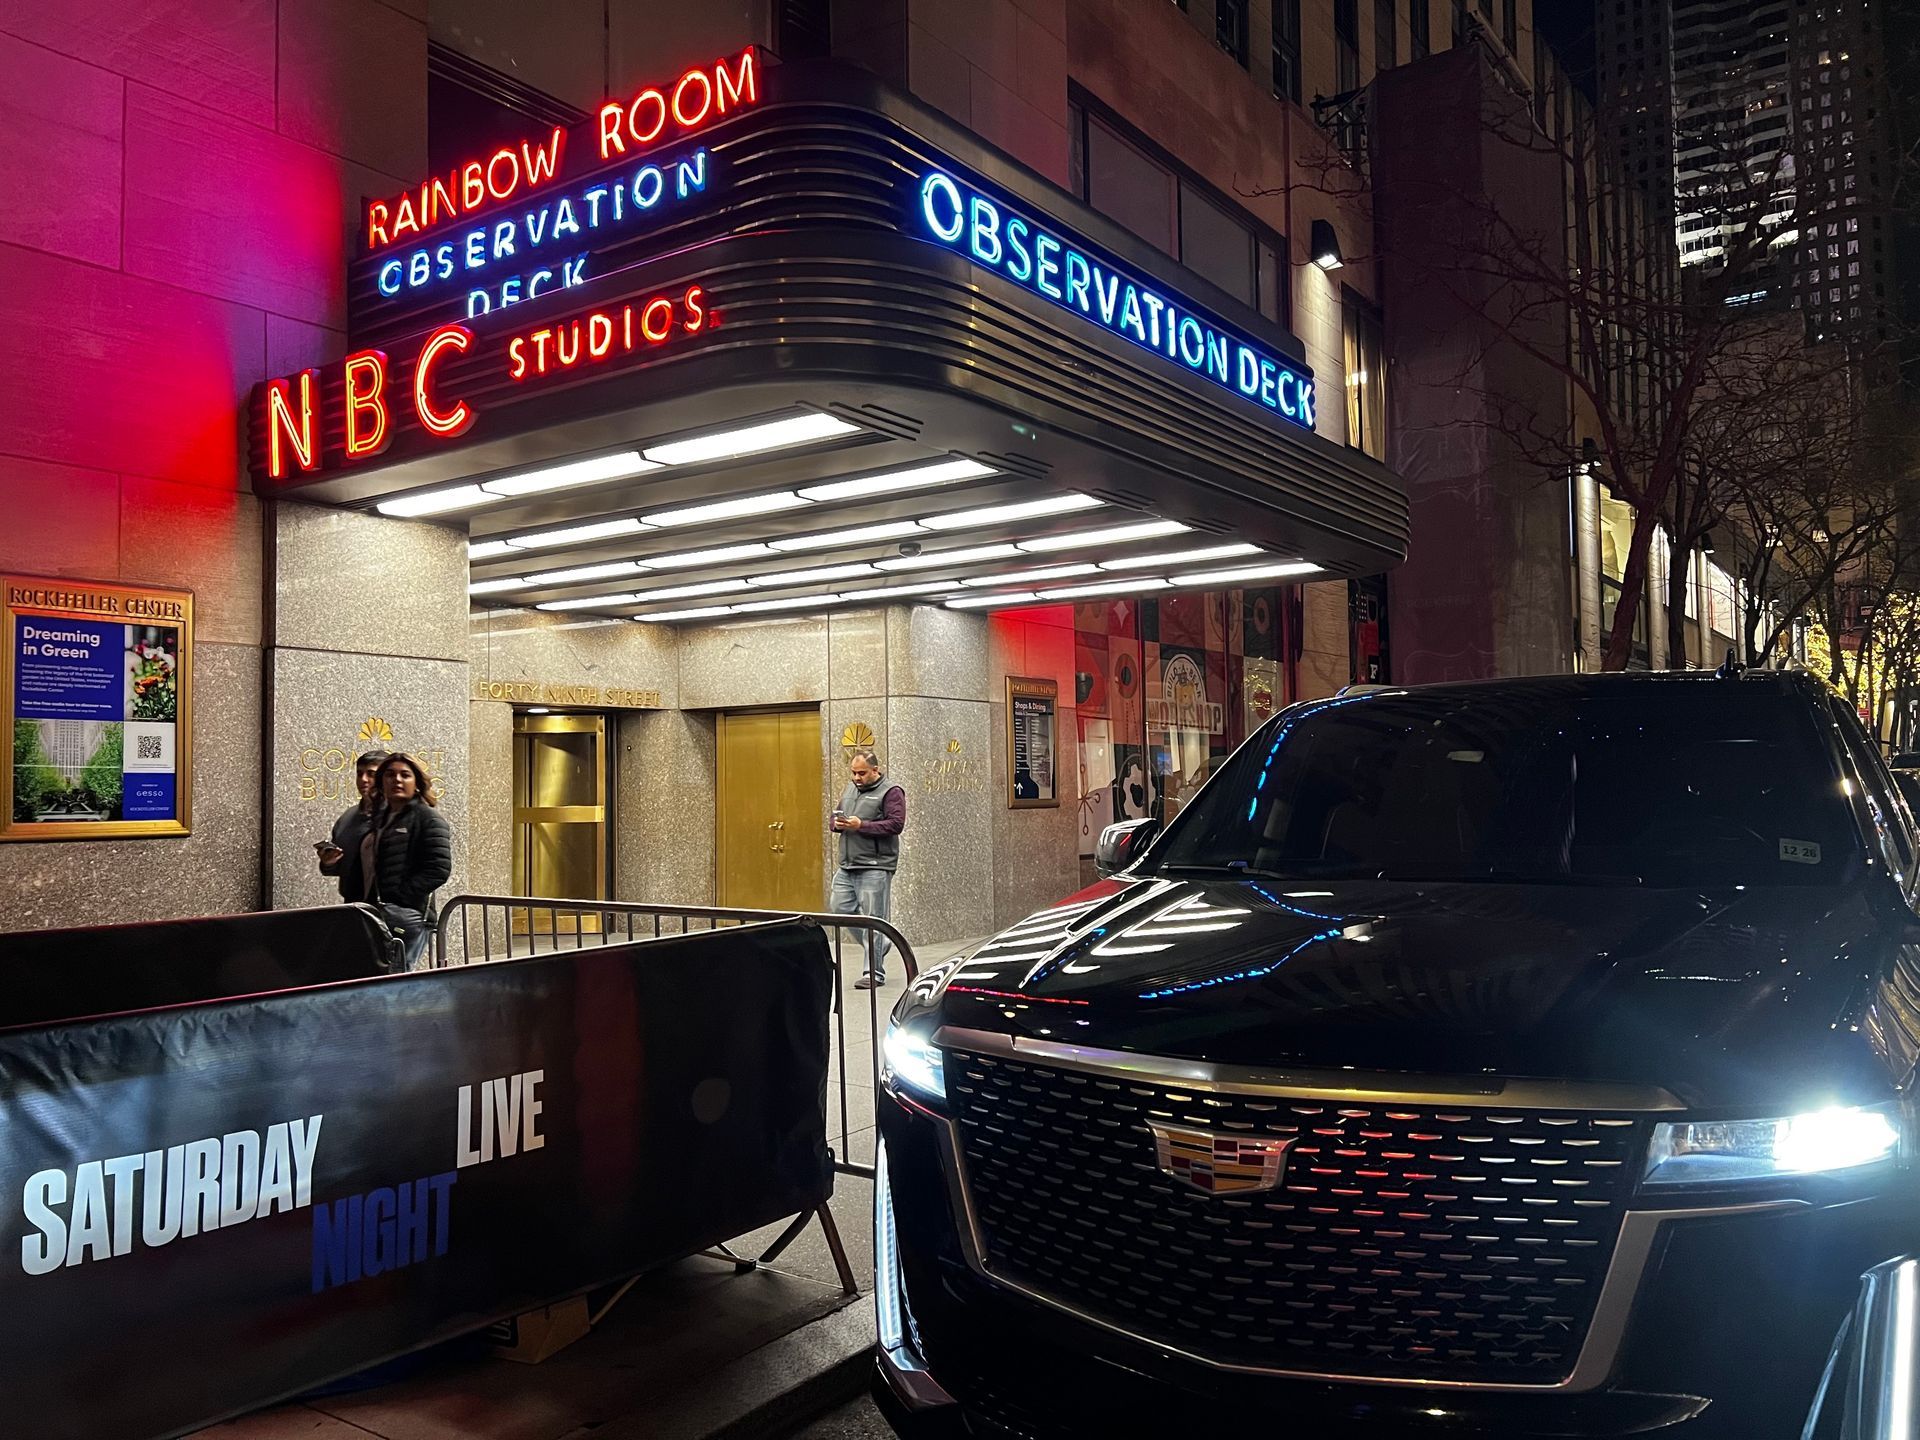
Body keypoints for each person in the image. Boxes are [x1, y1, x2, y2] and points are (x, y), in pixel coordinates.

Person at [359, 751, 453, 970]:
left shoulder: (427, 818)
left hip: (408, 914)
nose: (397, 780)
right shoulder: (382, 817)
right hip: (378, 912)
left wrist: (400, 897)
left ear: (416, 783)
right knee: (378, 974)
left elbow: (439, 869)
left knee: (398, 974)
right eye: (390, 775)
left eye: (405, 775)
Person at [830, 747, 907, 990]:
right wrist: (837, 823)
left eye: (862, 773)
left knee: (874, 918)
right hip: (848, 863)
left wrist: (861, 825)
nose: (856, 777)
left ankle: (873, 973)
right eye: (853, 772)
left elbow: (896, 824)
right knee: (839, 909)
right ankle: (879, 943)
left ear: (875, 770)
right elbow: (834, 817)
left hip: (876, 864)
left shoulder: (891, 792)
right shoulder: (851, 789)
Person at [315, 749, 389, 901]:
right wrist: (329, 862)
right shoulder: (348, 818)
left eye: (371, 774)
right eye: (359, 773)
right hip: (354, 904)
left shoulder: (399, 816)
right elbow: (341, 867)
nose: (363, 779)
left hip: (391, 907)